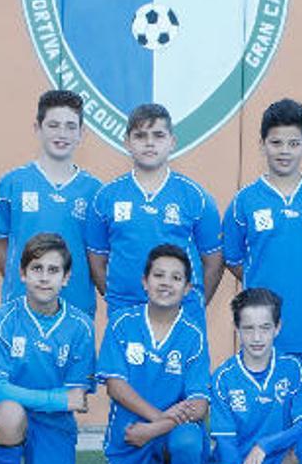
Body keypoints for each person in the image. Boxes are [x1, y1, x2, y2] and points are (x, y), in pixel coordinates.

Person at [223, 98, 302, 364]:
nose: (284, 151)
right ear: (262, 144)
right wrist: (264, 277)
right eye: (276, 143)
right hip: (262, 336)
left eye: (293, 143)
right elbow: (233, 260)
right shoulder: (245, 201)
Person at [0, 234, 96, 464]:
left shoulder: (81, 327)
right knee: (10, 414)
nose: (44, 277)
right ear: (23, 274)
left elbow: (77, 397)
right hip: (8, 414)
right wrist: (58, 399)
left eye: (53, 270)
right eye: (36, 268)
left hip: (54, 422)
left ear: (65, 278)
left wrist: (63, 402)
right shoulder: (1, 320)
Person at [87, 103, 223, 327]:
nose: (149, 143)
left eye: (158, 135)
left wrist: (189, 302)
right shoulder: (106, 197)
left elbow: (214, 262)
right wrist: (118, 298)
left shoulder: (196, 197)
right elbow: (97, 261)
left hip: (182, 313)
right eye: (140, 136)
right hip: (125, 310)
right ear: (127, 142)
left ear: (172, 142)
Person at [192, 288, 302, 464]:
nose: (257, 337)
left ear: (277, 327)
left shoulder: (294, 368)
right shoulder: (223, 377)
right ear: (236, 328)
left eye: (265, 328)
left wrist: (265, 445)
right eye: (248, 328)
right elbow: (226, 445)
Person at [98, 244, 210, 464]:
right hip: (130, 434)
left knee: (189, 440)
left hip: (171, 434)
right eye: (158, 275)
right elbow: (115, 386)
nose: (166, 283)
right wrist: (156, 419)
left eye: (176, 277)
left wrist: (155, 429)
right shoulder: (122, 324)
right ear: (144, 282)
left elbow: (199, 405)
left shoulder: (193, 335)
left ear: (187, 288)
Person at [0, 90, 102, 315]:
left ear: (81, 133)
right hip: (21, 308)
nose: (62, 133)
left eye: (70, 126)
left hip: (76, 309)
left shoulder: (96, 192)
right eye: (53, 125)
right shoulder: (11, 184)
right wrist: (30, 283)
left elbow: (98, 256)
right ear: (37, 128)